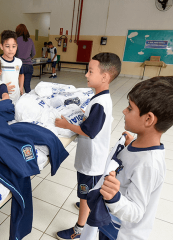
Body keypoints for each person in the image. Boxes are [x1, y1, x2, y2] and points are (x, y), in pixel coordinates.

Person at [92, 75, 173, 240]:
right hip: (111, 222)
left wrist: (114, 197)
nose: (124, 110)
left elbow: (136, 212)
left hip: (121, 234)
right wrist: (130, 147)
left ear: (148, 119)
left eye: (130, 108)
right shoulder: (140, 144)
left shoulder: (148, 165)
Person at [55, 52, 122, 240]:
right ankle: (84, 202)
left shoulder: (100, 103)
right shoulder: (100, 99)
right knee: (84, 190)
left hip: (91, 163)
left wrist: (66, 125)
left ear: (104, 77)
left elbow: (89, 131)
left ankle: (79, 229)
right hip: (92, 158)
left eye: (90, 71)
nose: (86, 74)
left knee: (85, 194)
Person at [0, 30, 24, 103]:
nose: (11, 49)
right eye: (7, 46)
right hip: (1, 97)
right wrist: (2, 88)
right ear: (1, 46)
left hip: (16, 97)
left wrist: (21, 88)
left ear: (17, 47)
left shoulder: (19, 62)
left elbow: (21, 74)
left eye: (13, 46)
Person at [15, 24, 35, 94]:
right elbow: (33, 53)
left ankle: (19, 101)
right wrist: (28, 57)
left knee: (18, 86)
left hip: (19, 66)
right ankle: (29, 101)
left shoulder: (16, 40)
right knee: (27, 86)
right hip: (29, 65)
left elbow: (14, 53)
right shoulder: (30, 40)